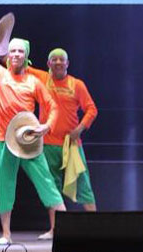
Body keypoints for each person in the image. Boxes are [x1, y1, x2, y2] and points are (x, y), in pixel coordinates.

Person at [0, 5, 63, 244]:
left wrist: (46, 126)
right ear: (8, 53)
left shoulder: (34, 82)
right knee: (4, 187)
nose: (15, 54)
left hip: (28, 140)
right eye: (12, 50)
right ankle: (6, 234)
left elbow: (54, 107)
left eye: (20, 51)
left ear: (26, 55)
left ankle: (60, 229)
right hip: (1, 138)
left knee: (46, 182)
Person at [28, 48, 98, 235]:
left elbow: (91, 109)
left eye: (62, 60)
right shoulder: (42, 79)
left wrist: (80, 128)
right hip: (48, 144)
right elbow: (18, 65)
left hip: (72, 146)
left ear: (67, 63)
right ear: (48, 64)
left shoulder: (77, 85)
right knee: (52, 187)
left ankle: (95, 228)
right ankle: (55, 229)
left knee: (84, 185)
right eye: (54, 59)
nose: (58, 62)